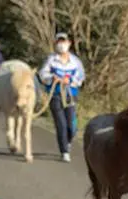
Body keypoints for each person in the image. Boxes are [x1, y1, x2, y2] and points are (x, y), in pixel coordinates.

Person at [39, 32, 85, 162]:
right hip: (55, 95)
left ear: (69, 43)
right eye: (59, 42)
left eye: (63, 42)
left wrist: (69, 81)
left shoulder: (75, 61)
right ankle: (64, 151)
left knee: (72, 126)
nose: (61, 45)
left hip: (71, 95)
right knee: (61, 124)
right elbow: (42, 74)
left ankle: (68, 141)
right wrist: (51, 78)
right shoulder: (51, 60)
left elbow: (81, 77)